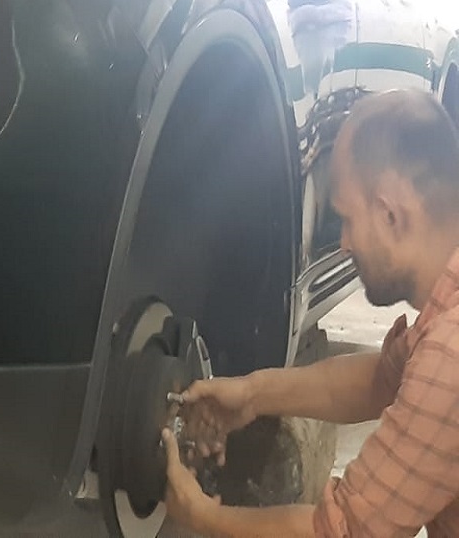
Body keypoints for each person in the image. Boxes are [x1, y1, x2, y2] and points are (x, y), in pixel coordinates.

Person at [162, 89, 459, 537]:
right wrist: (253, 394)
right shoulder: (444, 318)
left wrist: (201, 514)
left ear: (390, 215)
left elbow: (343, 531)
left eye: (347, 219)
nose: (343, 243)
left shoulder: (450, 353)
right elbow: (382, 380)